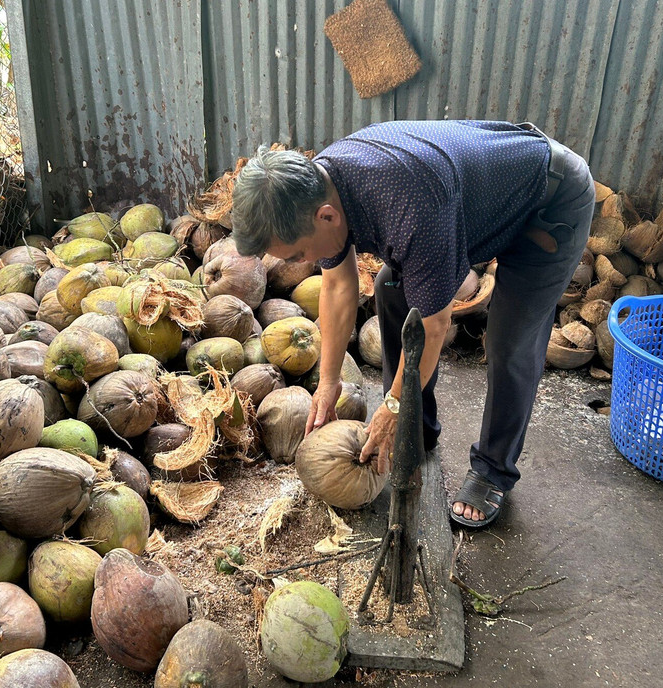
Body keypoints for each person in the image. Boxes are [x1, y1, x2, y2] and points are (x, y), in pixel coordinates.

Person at [230, 120, 594, 529]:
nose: (302, 263)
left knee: (511, 342)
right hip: (474, 204)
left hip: (547, 203)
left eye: (297, 255)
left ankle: (494, 471)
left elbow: (434, 326)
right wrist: (328, 381)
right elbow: (337, 285)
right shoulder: (320, 187)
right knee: (389, 289)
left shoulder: (411, 208)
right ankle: (414, 427)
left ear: (327, 216)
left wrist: (391, 406)